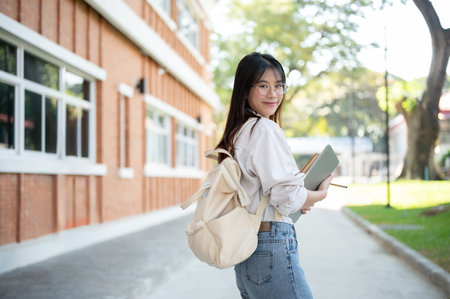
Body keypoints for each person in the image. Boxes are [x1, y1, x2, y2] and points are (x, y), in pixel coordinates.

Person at [215, 52, 333, 299]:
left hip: (248, 249)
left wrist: (302, 199)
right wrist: (319, 194)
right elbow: (285, 196)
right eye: (263, 86)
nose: (273, 94)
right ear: (245, 90)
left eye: (279, 86)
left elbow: (270, 195)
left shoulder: (238, 132)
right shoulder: (265, 129)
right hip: (270, 245)